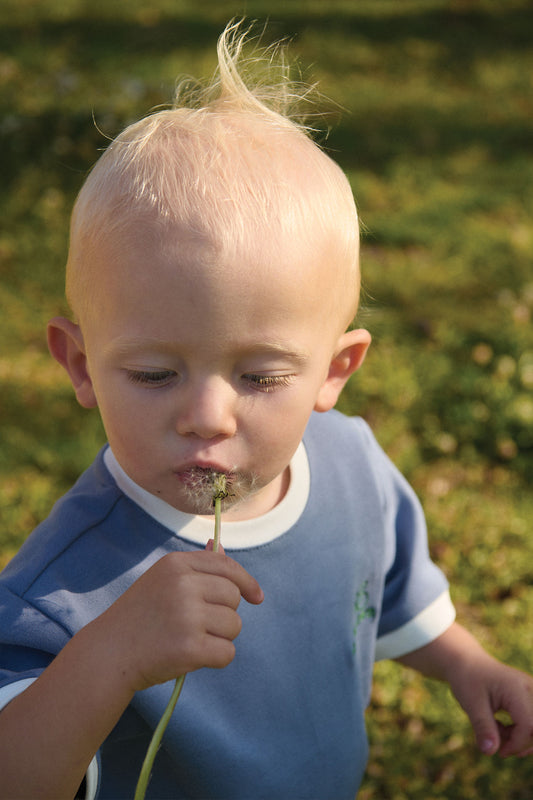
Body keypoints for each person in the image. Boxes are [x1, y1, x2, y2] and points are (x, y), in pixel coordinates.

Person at [0, 21, 532, 800]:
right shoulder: (63, 585)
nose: (208, 415)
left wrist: (466, 664)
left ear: (335, 369)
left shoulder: (352, 467)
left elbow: (385, 592)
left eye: (257, 376)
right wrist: (109, 657)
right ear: (80, 364)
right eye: (154, 373)